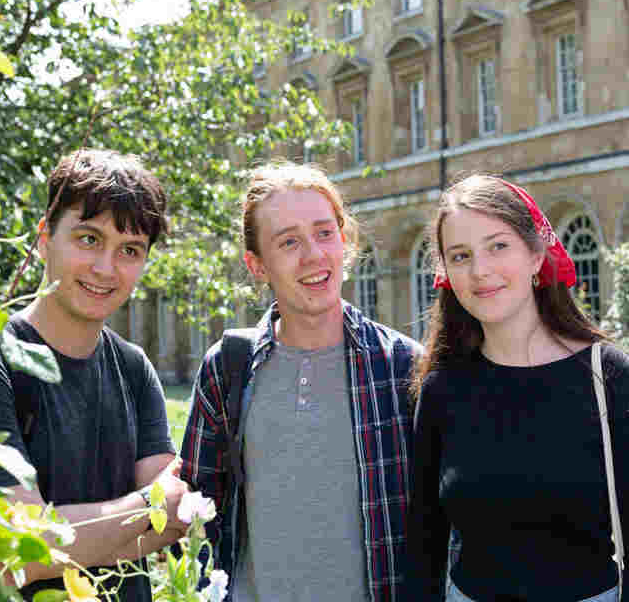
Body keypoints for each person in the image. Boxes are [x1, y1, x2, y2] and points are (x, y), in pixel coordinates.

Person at [180, 162, 422, 602]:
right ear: (256, 264)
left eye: (324, 233)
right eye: (289, 241)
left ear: (343, 239)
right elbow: (198, 519)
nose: (314, 255)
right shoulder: (227, 368)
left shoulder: (402, 366)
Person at [0, 149, 189, 602]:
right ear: (45, 235)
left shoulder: (134, 368)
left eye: (129, 250)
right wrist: (145, 507)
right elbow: (16, 547)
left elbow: (176, 518)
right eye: (89, 239)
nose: (105, 268)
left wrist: (58, 536)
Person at [408, 173, 629, 602]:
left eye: (498, 246)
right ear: (446, 273)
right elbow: (423, 544)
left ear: (535, 255)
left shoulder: (609, 376)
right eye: (460, 255)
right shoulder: (442, 389)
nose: (480, 271)